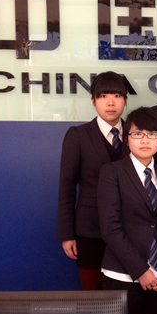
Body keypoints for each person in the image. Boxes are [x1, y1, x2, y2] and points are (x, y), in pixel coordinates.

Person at [97, 107, 157, 314]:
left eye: (152, 134)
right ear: (127, 138)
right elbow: (110, 227)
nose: (145, 140)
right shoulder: (112, 172)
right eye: (138, 133)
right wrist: (141, 270)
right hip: (122, 274)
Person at [56, 71, 127, 290]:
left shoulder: (136, 134)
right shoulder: (78, 135)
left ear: (125, 100)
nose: (110, 102)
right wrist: (67, 234)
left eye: (117, 96)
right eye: (103, 96)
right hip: (89, 230)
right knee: (94, 296)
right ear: (93, 100)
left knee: (127, 296)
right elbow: (67, 186)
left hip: (129, 230)